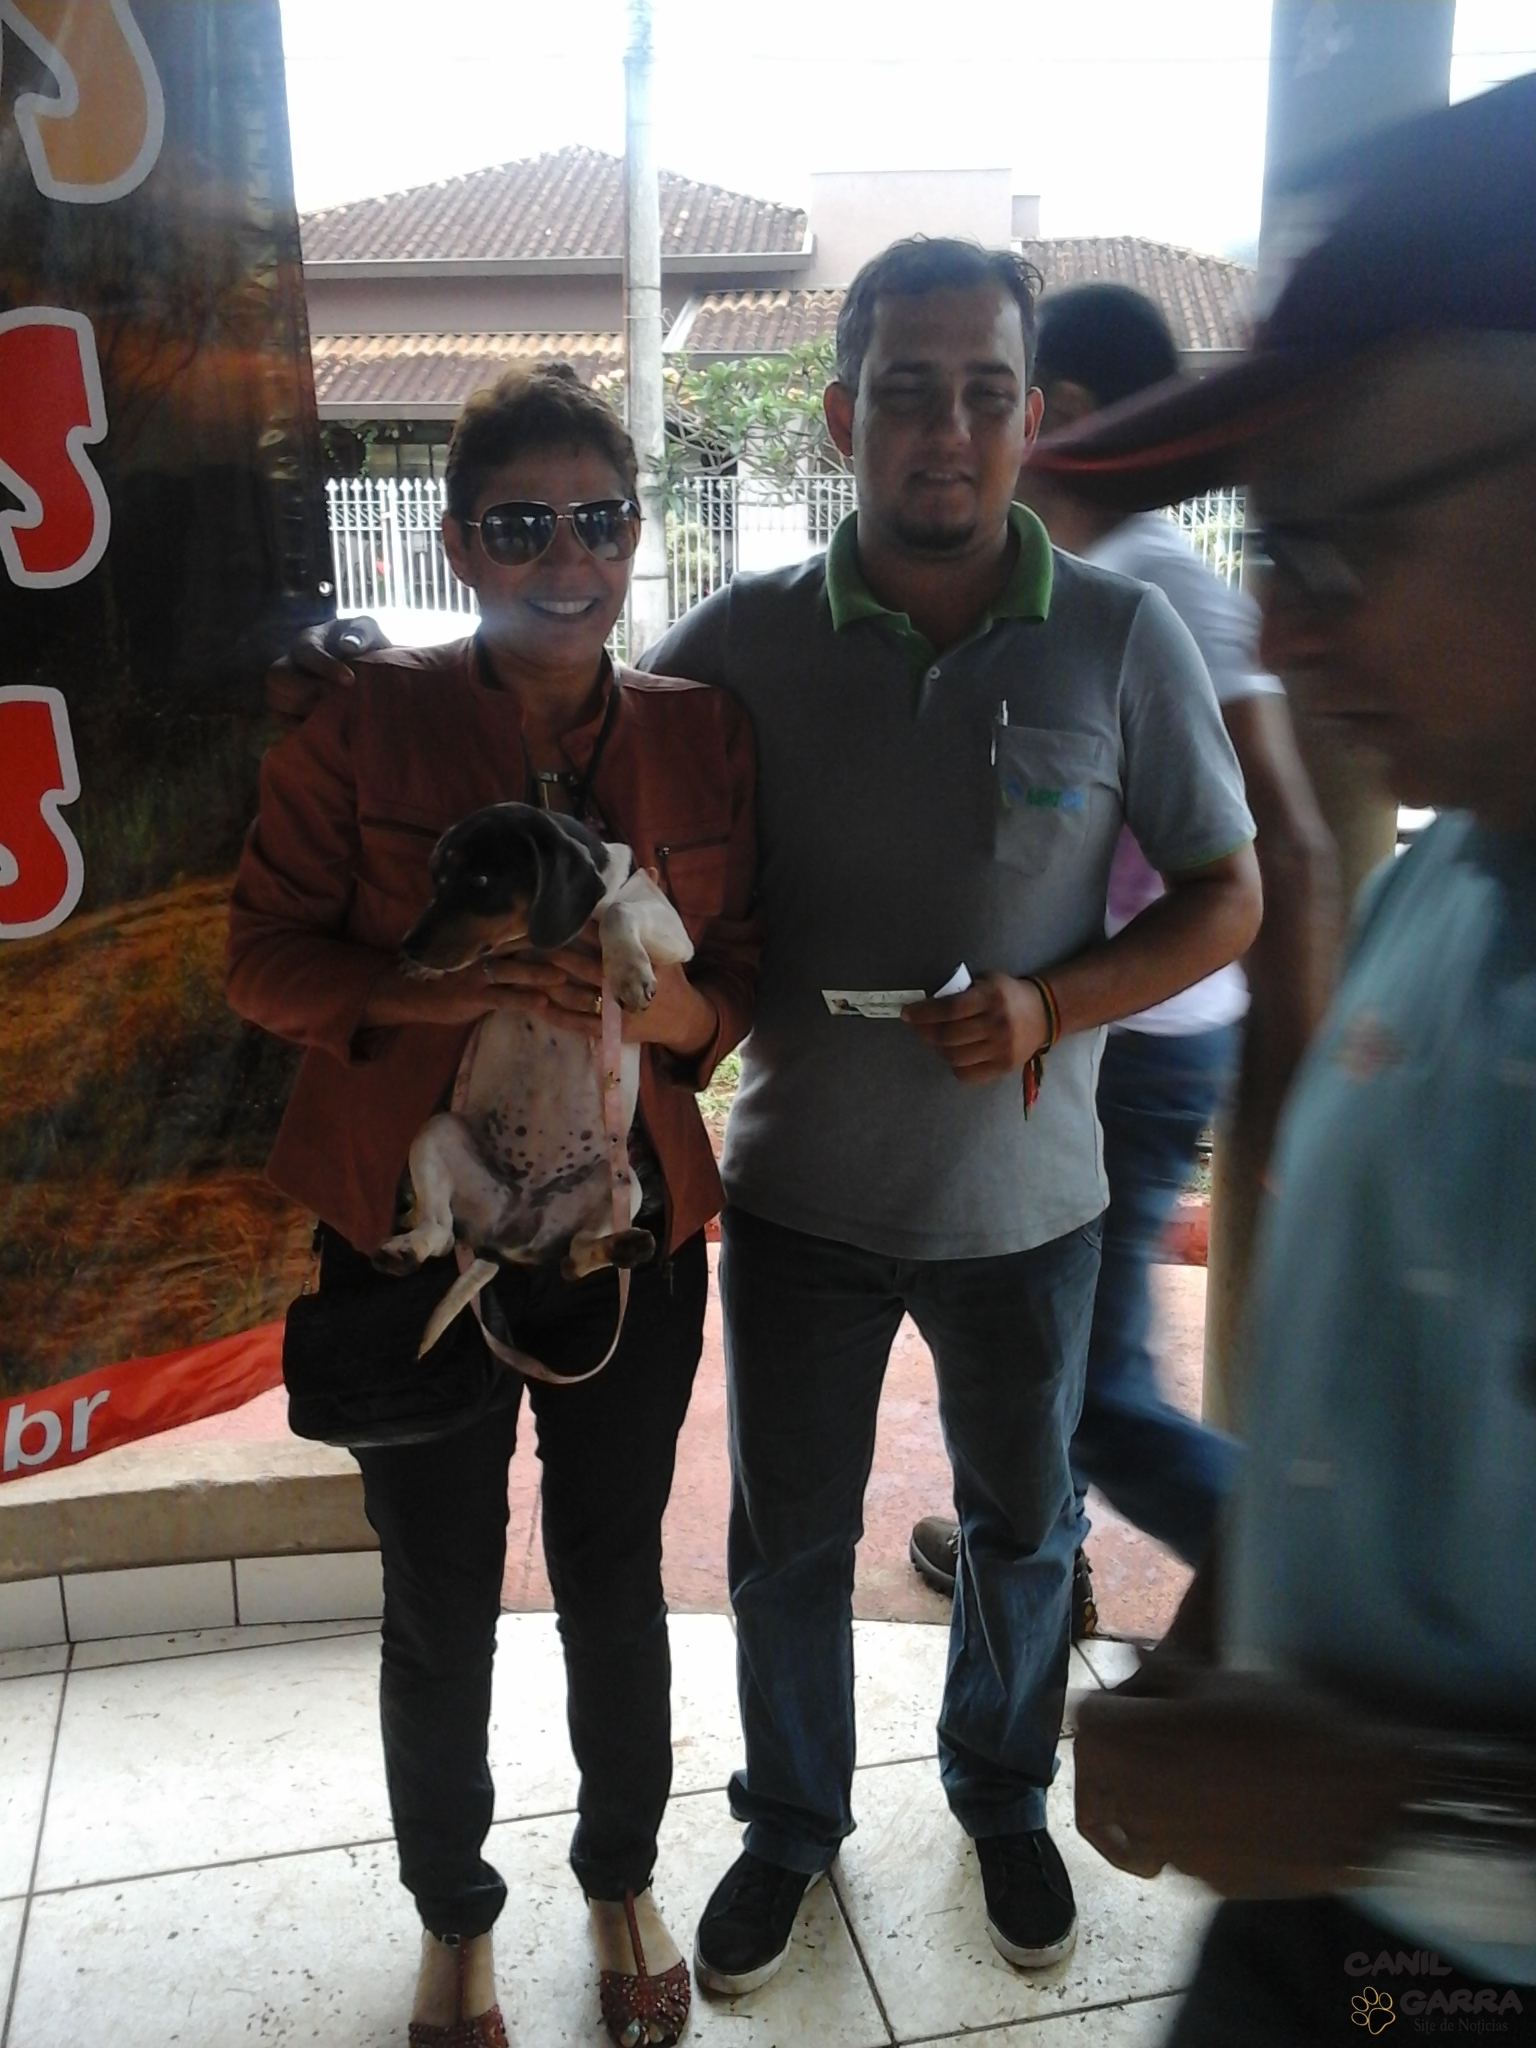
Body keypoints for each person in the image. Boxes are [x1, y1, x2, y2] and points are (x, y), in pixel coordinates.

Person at [638, 237, 1262, 1990]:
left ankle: (1002, 1792)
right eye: (910, 392)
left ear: (1032, 417)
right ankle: (790, 1820)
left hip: (1031, 1209)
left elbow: (1226, 897)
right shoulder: (740, 639)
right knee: (788, 1543)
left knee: (1024, 1530)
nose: (950, 430)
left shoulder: (1122, 636)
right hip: (801, 1203)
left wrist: (1055, 1005)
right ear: (845, 415)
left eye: (988, 393)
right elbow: (585, 764)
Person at [1033, 73, 1536, 2046]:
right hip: (1321, 1939)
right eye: (1272, 547)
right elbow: (1343, 1402)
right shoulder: (1448, 893)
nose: (1285, 638)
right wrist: (1220, 1642)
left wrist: (1393, 1801)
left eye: (1338, 553)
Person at [226, 365, 758, 2048]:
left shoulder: (698, 731)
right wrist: (442, 990)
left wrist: (654, 1011)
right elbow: (260, 961)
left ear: (636, 533)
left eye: (599, 520)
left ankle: (622, 1881)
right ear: (458, 544)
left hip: (625, 1235)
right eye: (521, 525)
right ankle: (454, 1919)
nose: (566, 558)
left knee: (615, 1572)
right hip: (411, 1235)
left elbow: (734, 993)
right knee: (440, 1589)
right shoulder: (361, 720)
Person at [909, 283, 1337, 1611]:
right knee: (1040, 1339)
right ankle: (1040, 1547)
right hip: (1091, 1034)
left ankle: (1309, 1589)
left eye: (1005, 399)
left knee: (1090, 1388)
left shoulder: (1159, 586)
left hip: (1134, 1045)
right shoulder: (1076, 577)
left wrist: (1293, 1102)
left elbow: (1289, 850)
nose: (981, 430)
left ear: (1071, 415)